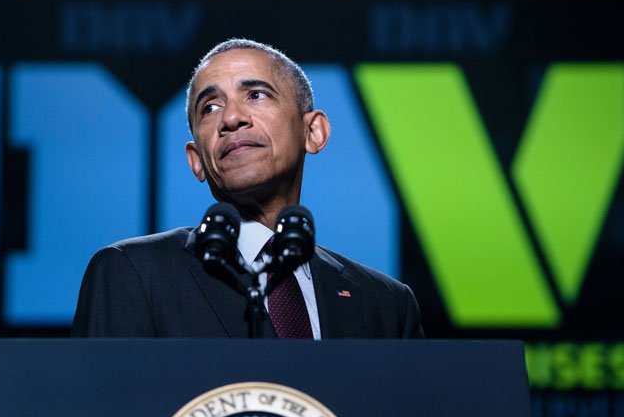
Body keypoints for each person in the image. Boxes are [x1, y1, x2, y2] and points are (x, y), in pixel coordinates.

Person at [71, 39, 423, 339]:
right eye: (210, 107)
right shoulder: (132, 275)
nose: (231, 118)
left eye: (256, 94)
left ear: (313, 132)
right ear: (196, 161)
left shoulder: (386, 305)